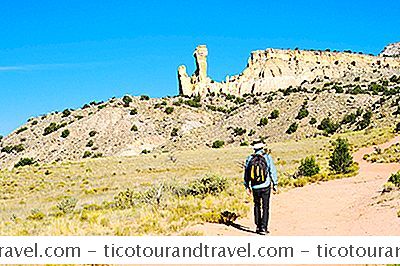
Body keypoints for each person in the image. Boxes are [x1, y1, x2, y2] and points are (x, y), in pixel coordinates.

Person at [244, 140, 278, 235]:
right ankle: (264, 227)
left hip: (255, 187)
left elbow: (246, 174)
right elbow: (272, 171)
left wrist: (247, 186)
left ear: (254, 148)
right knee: (265, 207)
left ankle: (258, 226)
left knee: (257, 205)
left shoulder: (249, 158)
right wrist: (275, 184)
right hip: (265, 185)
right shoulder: (267, 157)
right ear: (262, 147)